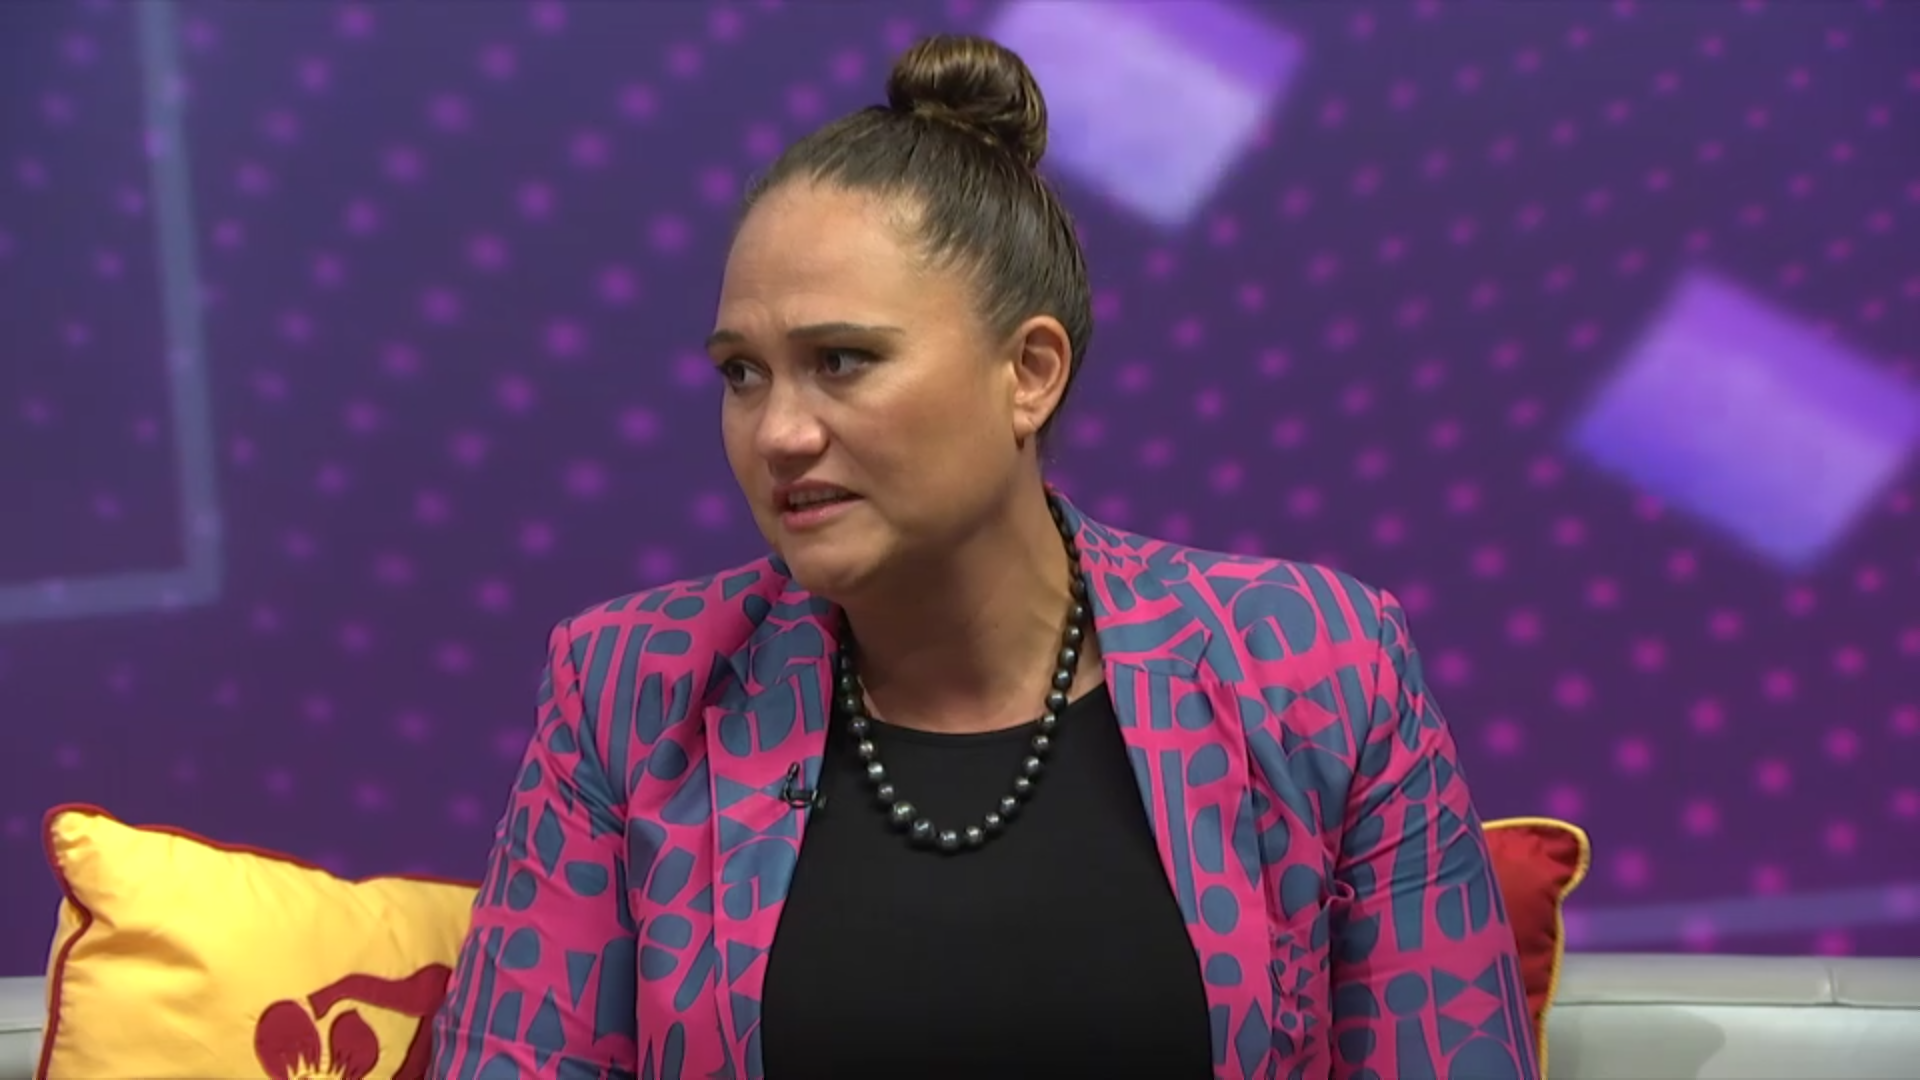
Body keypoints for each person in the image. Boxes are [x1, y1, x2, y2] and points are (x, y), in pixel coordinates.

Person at [430, 33, 1539, 1080]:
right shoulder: (632, 692)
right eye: (742, 373)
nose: (778, 433)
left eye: (842, 360)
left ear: (1030, 373)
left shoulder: (1317, 671)